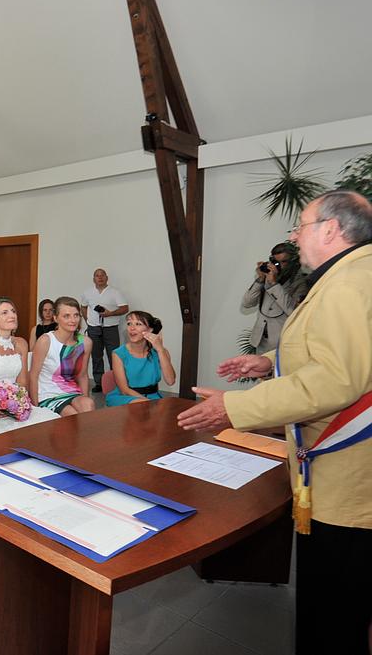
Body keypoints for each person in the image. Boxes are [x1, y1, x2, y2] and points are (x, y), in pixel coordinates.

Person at [177, 190, 372, 655]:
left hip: (347, 478)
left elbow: (337, 379)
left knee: (334, 614)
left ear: (330, 229)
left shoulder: (347, 285)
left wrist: (234, 410)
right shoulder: (350, 276)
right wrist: (268, 362)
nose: (293, 236)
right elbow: (328, 352)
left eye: (299, 226)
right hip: (344, 471)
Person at [0, 298, 60, 432]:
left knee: (51, 425)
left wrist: (19, 405)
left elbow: (22, 381)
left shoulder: (21, 343)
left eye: (13, 311)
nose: (12, 315)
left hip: (14, 403)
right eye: (4, 313)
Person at [30, 296, 95, 416]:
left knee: (88, 404)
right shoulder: (45, 341)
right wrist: (35, 409)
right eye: (66, 316)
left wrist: (84, 398)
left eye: (76, 315)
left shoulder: (85, 343)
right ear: (56, 318)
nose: (73, 320)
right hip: (47, 394)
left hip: (71, 392)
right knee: (71, 414)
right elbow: (33, 376)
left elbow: (82, 376)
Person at [241, 242, 306, 354]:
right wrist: (260, 280)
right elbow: (247, 303)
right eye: (275, 262)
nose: (278, 265)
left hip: (284, 343)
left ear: (294, 262)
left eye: (283, 262)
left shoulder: (301, 282)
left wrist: (274, 284)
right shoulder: (269, 276)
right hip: (261, 342)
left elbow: (294, 312)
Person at [104, 310, 175, 406]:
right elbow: (125, 390)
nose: (132, 328)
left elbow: (170, 381)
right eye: (129, 324)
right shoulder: (118, 353)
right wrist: (147, 403)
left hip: (152, 397)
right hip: (126, 397)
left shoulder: (160, 352)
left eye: (138, 324)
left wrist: (160, 350)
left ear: (149, 330)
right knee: (142, 407)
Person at [81, 268, 128, 392]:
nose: (100, 277)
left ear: (107, 277)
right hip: (94, 328)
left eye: (102, 275)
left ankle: (117, 382)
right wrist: (88, 321)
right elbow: (83, 307)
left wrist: (110, 314)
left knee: (114, 356)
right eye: (97, 275)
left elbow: (125, 308)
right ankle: (99, 383)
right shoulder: (87, 292)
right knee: (96, 356)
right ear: (93, 279)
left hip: (110, 328)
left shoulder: (115, 292)